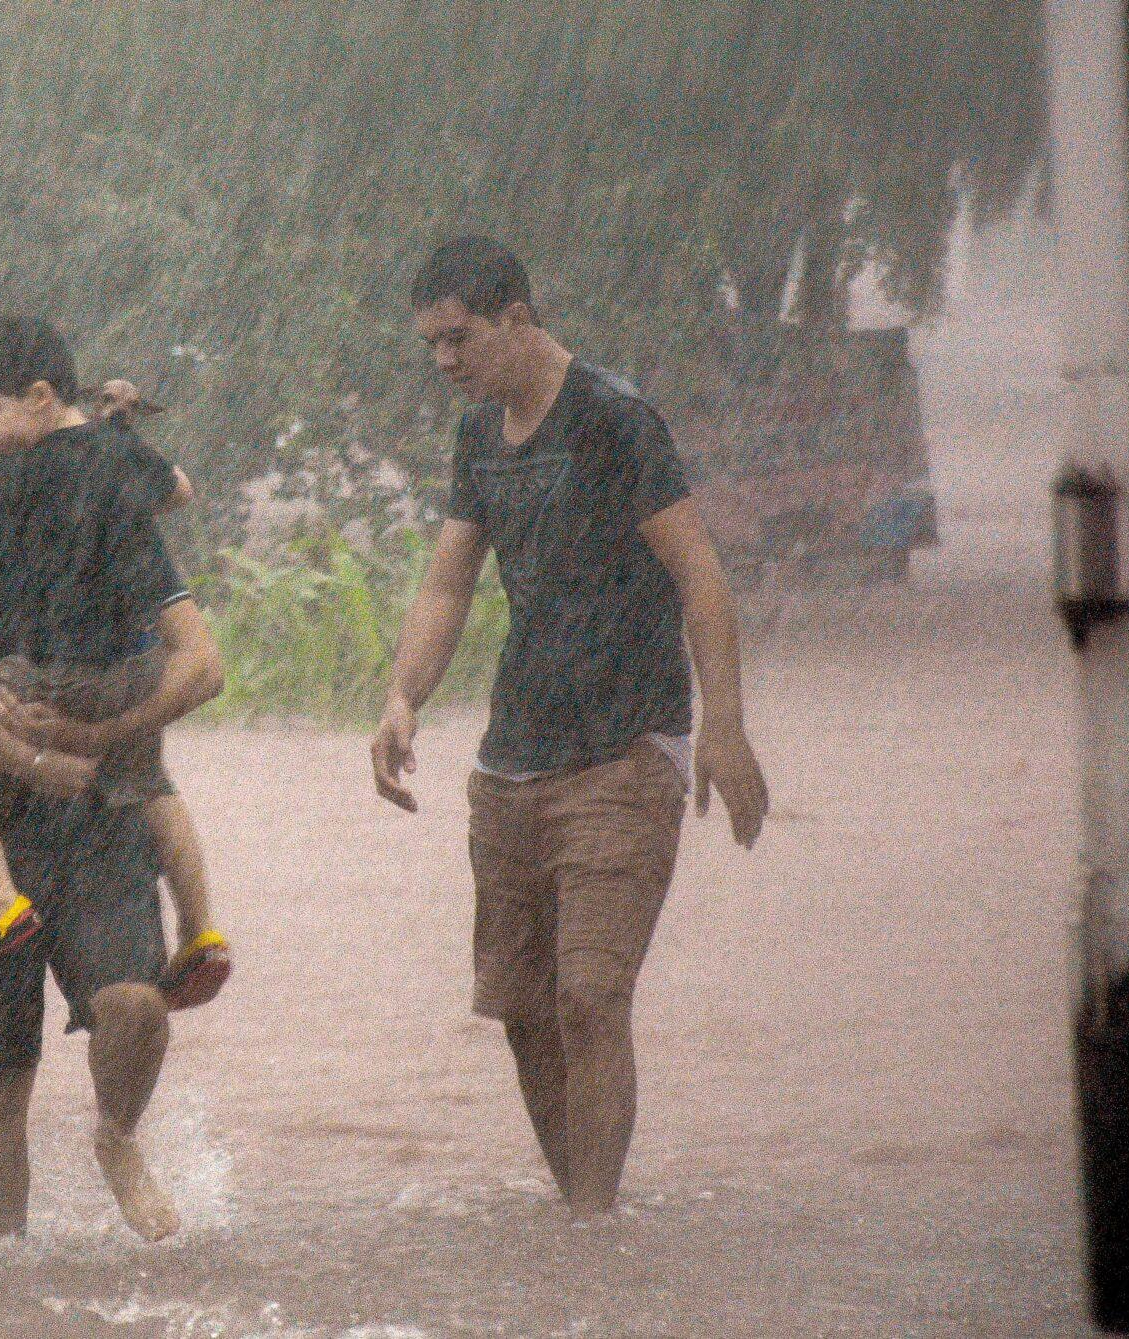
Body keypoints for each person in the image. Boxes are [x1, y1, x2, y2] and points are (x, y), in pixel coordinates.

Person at [367, 237, 771, 1219]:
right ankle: (581, 1221)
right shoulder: (478, 437)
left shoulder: (613, 418)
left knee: (590, 996)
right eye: (430, 345)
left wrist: (723, 727)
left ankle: (593, 1227)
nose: (444, 360)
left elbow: (699, 572)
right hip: (513, 761)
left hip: (625, 749)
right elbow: (448, 582)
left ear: (517, 316)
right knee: (524, 1011)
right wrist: (402, 695)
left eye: (459, 337)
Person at [0, 321, 227, 1241]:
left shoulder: (96, 511)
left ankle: (117, 1134)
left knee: (136, 1005)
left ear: (20, 416)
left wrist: (99, 734)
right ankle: (3, 1286)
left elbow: (199, 660)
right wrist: (26, 756)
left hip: (95, 816)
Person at [0, 348, 230, 1011]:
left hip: (60, 669)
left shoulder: (29, 470)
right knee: (150, 782)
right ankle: (201, 926)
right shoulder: (116, 460)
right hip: (135, 668)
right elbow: (178, 489)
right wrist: (116, 440)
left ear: (38, 398)